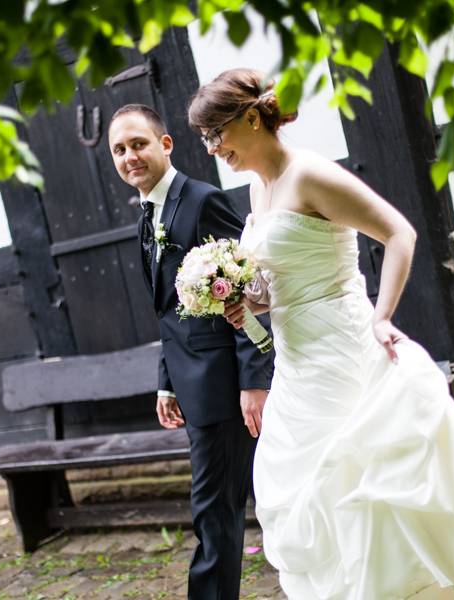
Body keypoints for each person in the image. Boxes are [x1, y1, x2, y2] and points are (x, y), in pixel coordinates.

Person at [187, 69, 454, 600]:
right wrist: (249, 303)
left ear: (253, 117)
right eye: (206, 139)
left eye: (217, 134)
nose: (214, 149)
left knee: (369, 489)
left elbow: (399, 233)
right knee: (319, 498)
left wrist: (382, 315)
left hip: (341, 352)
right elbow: (279, 284)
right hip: (297, 364)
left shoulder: (310, 174)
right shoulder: (259, 192)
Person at [107, 103, 274, 600]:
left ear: (165, 144)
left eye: (138, 143)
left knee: (215, 509)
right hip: (192, 383)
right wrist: (167, 380)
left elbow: (242, 293)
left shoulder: (202, 201)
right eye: (119, 149)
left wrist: (252, 382)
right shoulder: (146, 214)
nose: (129, 156)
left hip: (224, 385)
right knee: (216, 507)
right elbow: (168, 311)